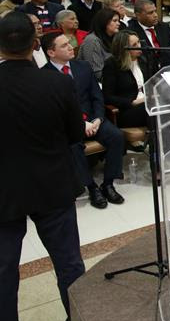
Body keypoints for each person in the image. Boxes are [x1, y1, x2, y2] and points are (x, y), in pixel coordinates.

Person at [0, 13, 86, 321]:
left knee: (3, 273)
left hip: (4, 191)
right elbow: (75, 134)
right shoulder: (57, 83)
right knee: (69, 264)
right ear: (35, 44)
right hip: (53, 184)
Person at [42, 32, 125, 209]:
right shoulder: (44, 75)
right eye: (64, 45)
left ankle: (108, 183)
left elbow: (97, 96)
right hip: (68, 125)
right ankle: (91, 187)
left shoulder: (83, 66)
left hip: (93, 119)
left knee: (116, 136)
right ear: (51, 52)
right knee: (73, 147)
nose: (71, 47)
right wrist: (80, 124)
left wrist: (98, 118)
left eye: (69, 43)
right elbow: (53, 109)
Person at [101, 31, 149, 128]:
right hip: (126, 110)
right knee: (150, 109)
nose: (139, 46)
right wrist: (132, 102)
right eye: (134, 45)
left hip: (146, 104)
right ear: (124, 48)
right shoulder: (112, 64)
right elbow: (107, 97)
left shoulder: (143, 60)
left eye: (139, 42)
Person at [128, 0, 170, 80]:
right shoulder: (131, 33)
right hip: (146, 75)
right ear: (138, 15)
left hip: (167, 72)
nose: (155, 15)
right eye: (150, 13)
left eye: (155, 11)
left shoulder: (164, 27)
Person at [76, 7, 120, 80]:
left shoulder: (114, 38)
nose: (118, 23)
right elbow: (96, 72)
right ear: (104, 22)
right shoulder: (92, 41)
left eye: (118, 21)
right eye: (115, 21)